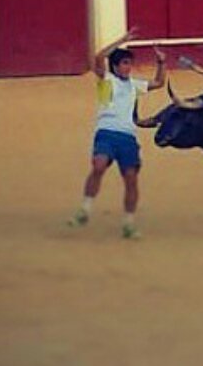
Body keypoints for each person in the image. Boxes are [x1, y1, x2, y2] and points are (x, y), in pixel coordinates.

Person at [67, 27, 166, 238]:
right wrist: (122, 40)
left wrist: (161, 63)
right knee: (98, 165)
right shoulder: (106, 81)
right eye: (125, 63)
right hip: (106, 131)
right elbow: (98, 57)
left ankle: (128, 224)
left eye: (130, 63)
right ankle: (85, 209)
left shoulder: (134, 85)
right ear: (115, 66)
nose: (128, 67)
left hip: (127, 136)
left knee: (131, 179)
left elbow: (159, 83)